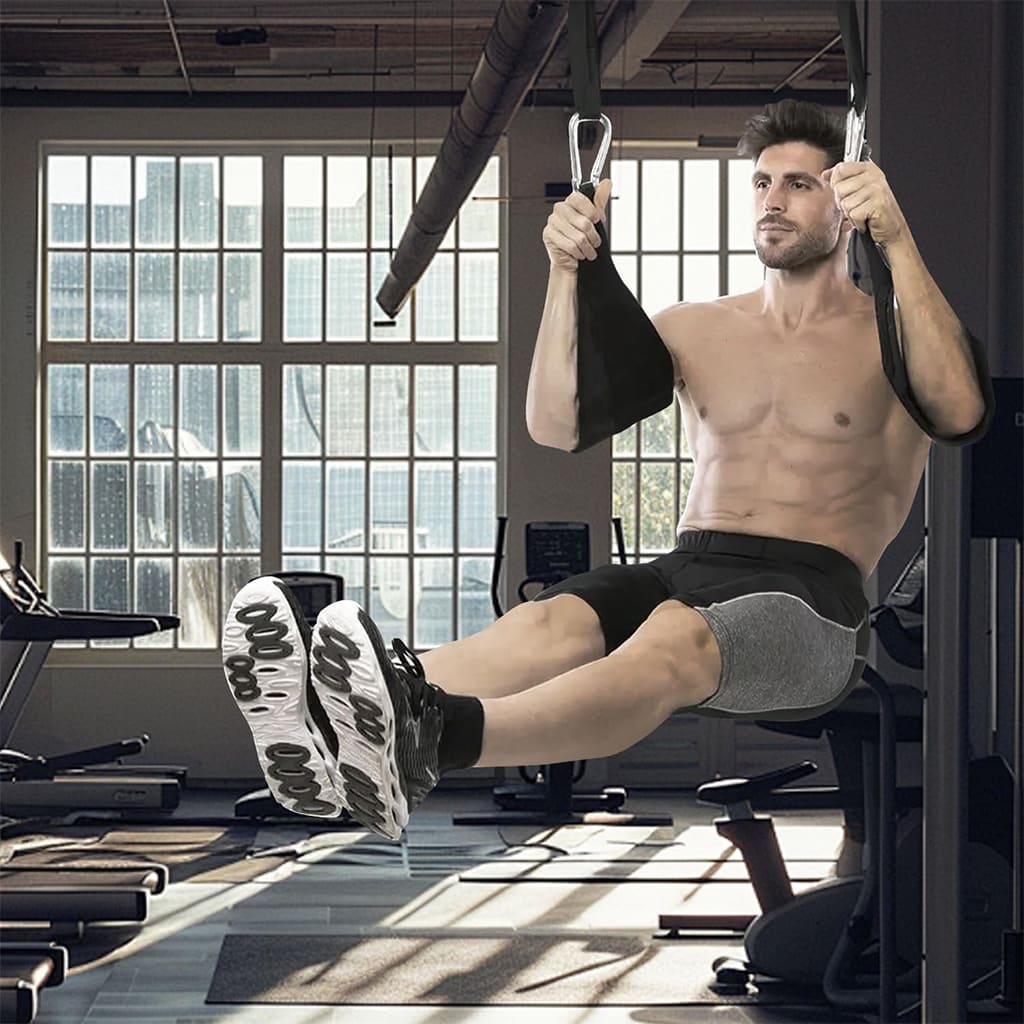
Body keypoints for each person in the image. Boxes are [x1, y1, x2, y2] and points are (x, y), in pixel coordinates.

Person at [221, 99, 989, 841]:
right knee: (550, 620)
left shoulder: (891, 330)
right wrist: (563, 271)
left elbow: (960, 413)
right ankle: (333, 712)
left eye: (799, 183)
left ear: (846, 201)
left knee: (672, 637)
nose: (773, 200)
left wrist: (896, 237)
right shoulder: (698, 328)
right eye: (761, 182)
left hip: (815, 602)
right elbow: (555, 425)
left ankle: (433, 738)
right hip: (692, 562)